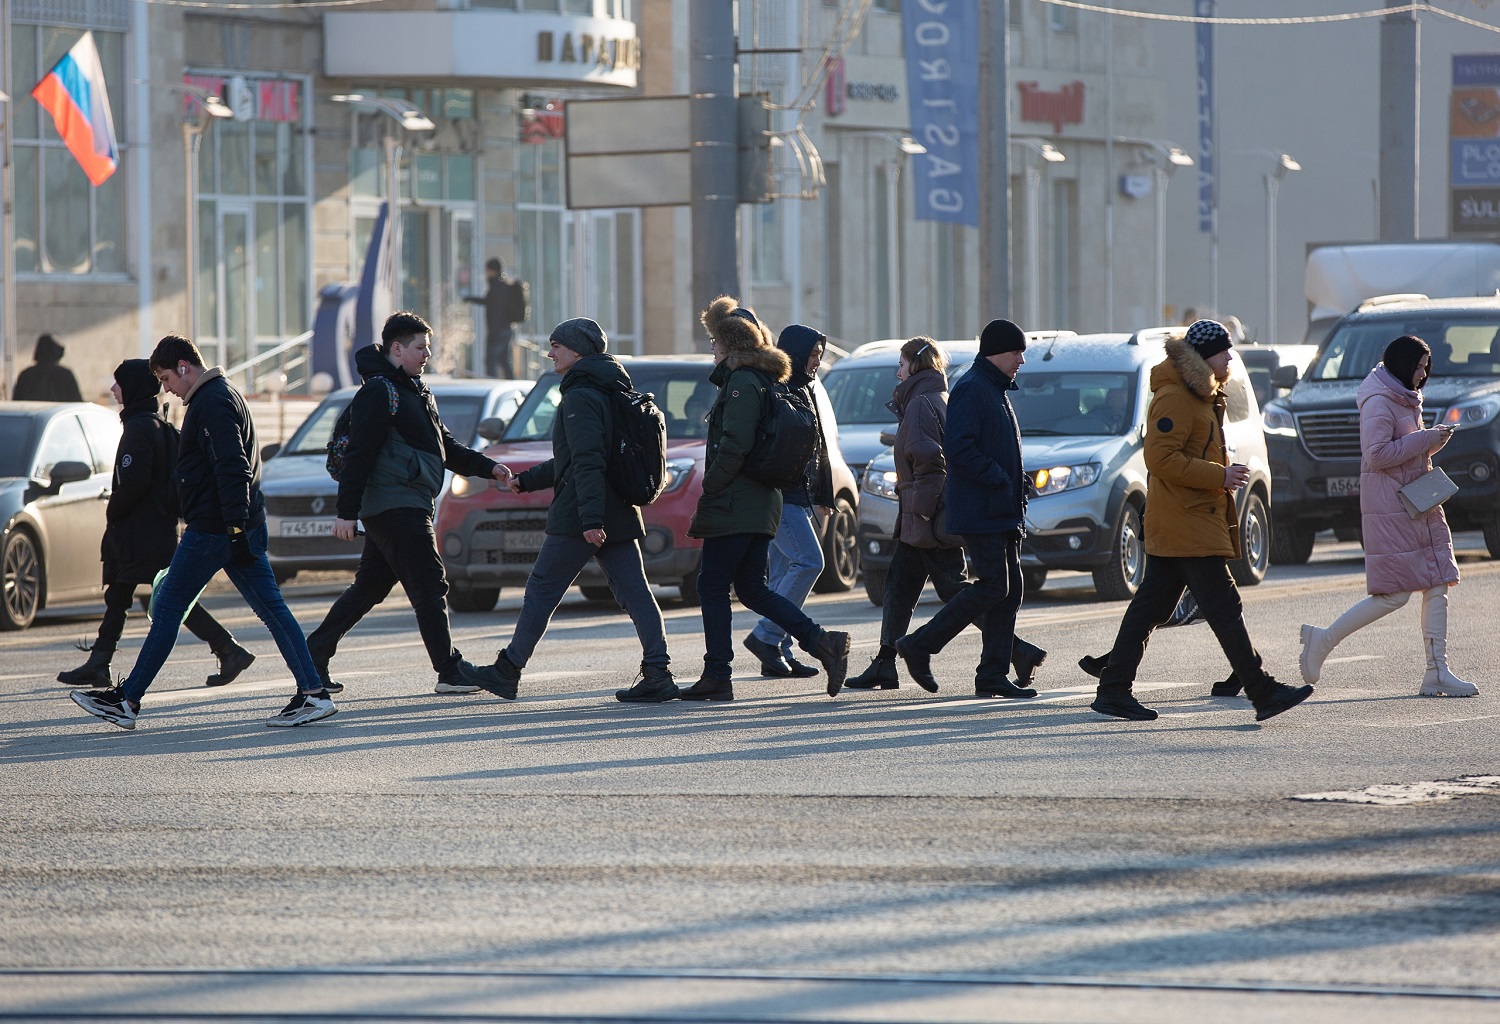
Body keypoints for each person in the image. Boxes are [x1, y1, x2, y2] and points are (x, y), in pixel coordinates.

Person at [68, 335, 337, 729]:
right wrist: (237, 526)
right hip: (230, 526)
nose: (166, 389)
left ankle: (127, 700)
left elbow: (232, 466)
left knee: (169, 609)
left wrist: (232, 527)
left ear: (183, 367)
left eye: (165, 378)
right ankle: (314, 694)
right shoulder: (219, 395)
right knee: (270, 611)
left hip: (215, 529)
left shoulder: (212, 401)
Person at [1088, 319, 1314, 723]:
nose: (1231, 358)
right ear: (1202, 357)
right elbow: (1160, 459)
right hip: (1184, 523)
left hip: (1187, 521)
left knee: (1150, 608)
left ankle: (1113, 689)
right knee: (1223, 605)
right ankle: (1261, 690)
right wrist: (1219, 476)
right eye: (1224, 352)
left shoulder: (1202, 394)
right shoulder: (1176, 397)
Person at [466, 317, 679, 705]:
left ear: (577, 352)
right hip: (615, 508)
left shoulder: (581, 395)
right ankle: (658, 673)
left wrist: (590, 520)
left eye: (556, 347)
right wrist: (527, 480)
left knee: (542, 588)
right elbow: (574, 459)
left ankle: (508, 670)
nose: (549, 353)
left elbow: (588, 462)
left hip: (582, 511)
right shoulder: (612, 387)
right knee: (636, 593)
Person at [305, 311, 509, 696]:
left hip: (406, 500)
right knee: (430, 584)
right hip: (394, 504)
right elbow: (359, 454)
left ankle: (313, 654)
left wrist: (490, 467)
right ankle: (449, 670)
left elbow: (445, 447)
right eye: (420, 347)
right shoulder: (380, 392)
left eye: (427, 347)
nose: (427, 354)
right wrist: (345, 513)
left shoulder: (416, 390)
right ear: (396, 349)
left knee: (370, 588)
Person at [848, 337, 1048, 694]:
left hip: (928, 514)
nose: (896, 371)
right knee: (900, 584)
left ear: (915, 365)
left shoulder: (924, 402)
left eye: (901, 363)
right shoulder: (941, 394)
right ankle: (885, 661)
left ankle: (1008, 651)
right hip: (930, 512)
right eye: (1015, 351)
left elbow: (933, 460)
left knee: (968, 589)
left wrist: (922, 509)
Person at [677, 296, 851, 701]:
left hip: (739, 501)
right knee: (752, 589)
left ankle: (718, 674)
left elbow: (735, 444)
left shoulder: (741, 384)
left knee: (712, 586)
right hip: (761, 501)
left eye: (716, 341)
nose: (712, 348)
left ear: (731, 344)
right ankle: (822, 642)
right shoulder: (764, 378)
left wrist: (712, 487)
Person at [58, 360, 255, 689]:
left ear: (131, 387)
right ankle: (100, 660)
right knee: (140, 596)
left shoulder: (139, 428)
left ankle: (225, 647)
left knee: (163, 597)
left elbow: (133, 482)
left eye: (118, 383)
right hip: (153, 530)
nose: (112, 389)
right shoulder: (158, 425)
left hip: (140, 533)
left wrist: (113, 510)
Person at [1298, 335, 1476, 697]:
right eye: (1419, 367)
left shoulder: (1403, 397)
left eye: (1426, 367)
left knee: (1437, 581)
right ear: (1402, 364)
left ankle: (1437, 671)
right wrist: (1426, 439)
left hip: (1416, 499)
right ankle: (1323, 641)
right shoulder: (1381, 400)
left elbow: (1404, 449)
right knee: (1394, 595)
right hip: (1394, 505)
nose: (1423, 375)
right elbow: (1377, 454)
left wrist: (1433, 441)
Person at [740, 324, 834, 680]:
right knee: (810, 562)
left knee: (783, 574)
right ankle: (766, 637)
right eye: (812, 354)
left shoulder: (805, 387)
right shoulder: (777, 387)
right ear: (794, 352)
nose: (816, 361)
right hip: (779, 493)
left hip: (798, 492)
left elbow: (819, 446)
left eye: (820, 355)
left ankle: (778, 651)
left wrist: (823, 493)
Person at [465, 258, 530, 379]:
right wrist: (472, 299)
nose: (485, 273)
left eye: (487, 270)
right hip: (505, 328)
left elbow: (496, 309)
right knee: (503, 359)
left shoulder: (497, 286)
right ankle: (510, 381)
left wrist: (493, 332)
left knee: (491, 360)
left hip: (498, 330)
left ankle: (491, 383)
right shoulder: (503, 285)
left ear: (492, 270)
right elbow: (490, 302)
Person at [13, 333, 83, 402]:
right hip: (59, 412)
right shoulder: (65, 375)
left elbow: (16, 405)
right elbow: (76, 403)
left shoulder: (26, 375)